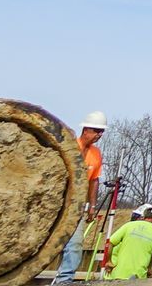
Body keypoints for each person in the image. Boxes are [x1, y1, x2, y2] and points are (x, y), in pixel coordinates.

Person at [52, 111, 107, 282]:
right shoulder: (69, 147)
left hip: (77, 206)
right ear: (85, 129)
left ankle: (64, 280)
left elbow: (94, 181)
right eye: (96, 131)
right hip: (57, 203)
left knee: (75, 243)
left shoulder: (96, 154)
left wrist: (92, 205)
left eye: (101, 132)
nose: (99, 135)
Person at [105, 205, 152, 281]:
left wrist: (109, 261)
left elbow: (110, 243)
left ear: (144, 216)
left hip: (116, 275)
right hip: (137, 277)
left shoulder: (128, 226)